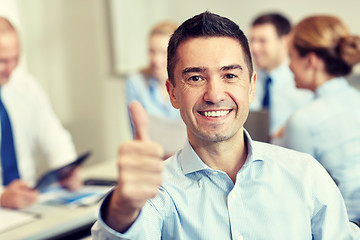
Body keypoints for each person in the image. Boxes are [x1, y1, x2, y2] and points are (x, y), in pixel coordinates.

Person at [91, 11, 359, 239]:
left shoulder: (306, 176)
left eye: (230, 75)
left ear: (251, 86)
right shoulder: (157, 191)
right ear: (173, 93)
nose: (214, 94)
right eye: (195, 78)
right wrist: (122, 210)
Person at [282, 15, 360, 225]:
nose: (289, 66)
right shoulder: (356, 99)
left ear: (311, 60)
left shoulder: (304, 121)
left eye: (291, 56)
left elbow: (295, 197)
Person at [0, 17, 81, 209]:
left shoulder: (27, 87)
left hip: (28, 201)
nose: (11, 69)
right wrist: (2, 196)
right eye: (2, 61)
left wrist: (66, 169)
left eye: (16, 58)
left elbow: (53, 134)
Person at [249, 13, 313, 140]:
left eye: (262, 41)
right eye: (252, 40)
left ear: (285, 41)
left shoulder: (303, 83)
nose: (254, 48)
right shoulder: (247, 79)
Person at [125, 21, 180, 120]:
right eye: (152, 51)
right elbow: (137, 131)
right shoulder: (135, 83)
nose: (156, 60)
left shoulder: (188, 83)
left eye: (164, 52)